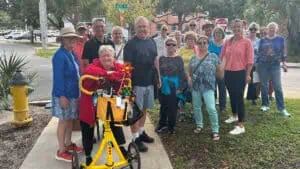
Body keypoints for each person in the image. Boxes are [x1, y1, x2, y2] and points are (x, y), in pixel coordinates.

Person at [79, 45, 128, 165]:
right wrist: (108, 73)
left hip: (109, 101)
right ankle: (88, 154)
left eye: (109, 55)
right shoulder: (94, 65)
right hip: (91, 99)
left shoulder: (118, 66)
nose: (107, 57)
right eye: (104, 55)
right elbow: (89, 71)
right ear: (99, 57)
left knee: (115, 117)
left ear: (113, 57)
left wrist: (110, 75)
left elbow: (126, 74)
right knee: (87, 124)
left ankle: (121, 146)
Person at [124, 16, 157, 152]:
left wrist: (158, 78)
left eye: (144, 26)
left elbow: (155, 61)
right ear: (135, 28)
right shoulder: (130, 44)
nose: (143, 29)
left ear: (148, 28)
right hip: (136, 84)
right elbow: (127, 66)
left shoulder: (152, 42)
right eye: (140, 27)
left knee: (144, 109)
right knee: (135, 112)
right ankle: (135, 138)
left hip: (149, 82)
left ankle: (142, 132)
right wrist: (128, 86)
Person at [52, 27, 83, 162]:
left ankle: (69, 144)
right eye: (68, 38)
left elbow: (77, 74)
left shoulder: (72, 54)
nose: (72, 40)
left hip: (73, 93)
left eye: (74, 38)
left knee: (70, 120)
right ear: (63, 40)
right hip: (63, 94)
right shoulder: (59, 55)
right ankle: (61, 150)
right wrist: (62, 96)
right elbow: (58, 78)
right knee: (63, 122)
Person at [220, 19, 254, 135]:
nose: (236, 29)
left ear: (243, 28)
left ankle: (240, 124)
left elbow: (250, 60)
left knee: (239, 97)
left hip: (240, 73)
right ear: (231, 28)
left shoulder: (247, 42)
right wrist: (221, 70)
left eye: (239, 27)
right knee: (232, 95)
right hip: (228, 73)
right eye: (234, 27)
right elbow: (223, 56)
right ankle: (234, 115)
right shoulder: (228, 41)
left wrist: (248, 74)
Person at [188, 35, 224, 141]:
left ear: (208, 44)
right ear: (197, 45)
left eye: (205, 43)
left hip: (208, 87)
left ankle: (215, 130)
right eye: (200, 43)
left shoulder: (213, 56)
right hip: (196, 87)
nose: (202, 45)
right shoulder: (193, 58)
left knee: (211, 108)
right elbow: (190, 72)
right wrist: (189, 79)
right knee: (197, 107)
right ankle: (199, 125)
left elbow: (219, 72)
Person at [257, 22, 290, 117]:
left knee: (277, 86)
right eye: (270, 28)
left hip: (275, 65)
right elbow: (259, 52)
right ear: (267, 29)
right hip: (263, 65)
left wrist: (284, 63)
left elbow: (284, 52)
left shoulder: (280, 39)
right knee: (264, 85)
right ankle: (265, 105)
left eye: (273, 28)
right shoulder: (263, 40)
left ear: (276, 29)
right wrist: (257, 64)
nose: (272, 29)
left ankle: (281, 108)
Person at [155, 37, 187, 134]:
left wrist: (180, 88)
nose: (171, 46)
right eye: (168, 44)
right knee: (163, 106)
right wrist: (157, 83)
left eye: (173, 44)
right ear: (165, 46)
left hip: (174, 86)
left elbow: (182, 74)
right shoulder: (161, 58)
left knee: (172, 107)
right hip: (163, 86)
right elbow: (157, 72)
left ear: (176, 47)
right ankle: (162, 124)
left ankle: (171, 127)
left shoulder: (179, 59)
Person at [177, 31, 197, 121]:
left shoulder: (197, 50)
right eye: (188, 39)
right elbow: (177, 61)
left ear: (195, 41)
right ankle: (182, 113)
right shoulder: (181, 50)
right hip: (182, 76)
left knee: (194, 94)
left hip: (194, 76)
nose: (190, 41)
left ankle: (193, 112)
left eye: (192, 40)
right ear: (185, 40)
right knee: (182, 94)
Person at [208, 27, 227, 113]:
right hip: (212, 68)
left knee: (222, 88)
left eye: (219, 33)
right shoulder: (210, 43)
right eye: (216, 33)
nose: (218, 35)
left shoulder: (225, 44)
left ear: (222, 34)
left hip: (222, 68)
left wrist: (222, 67)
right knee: (213, 87)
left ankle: (222, 106)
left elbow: (227, 56)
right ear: (214, 34)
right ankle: (213, 104)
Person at [246, 22, 261, 105]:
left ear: (257, 31)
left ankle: (253, 98)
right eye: (251, 29)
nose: (253, 31)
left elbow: (260, 54)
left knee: (254, 82)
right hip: (245, 64)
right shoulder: (245, 40)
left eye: (255, 29)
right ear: (249, 30)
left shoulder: (259, 41)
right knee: (243, 81)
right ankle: (240, 96)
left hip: (255, 64)